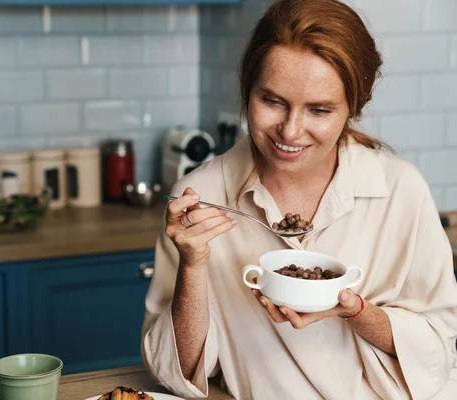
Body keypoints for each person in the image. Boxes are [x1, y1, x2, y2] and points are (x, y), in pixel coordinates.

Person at [140, 0, 457, 399]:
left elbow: (436, 350)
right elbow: (175, 374)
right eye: (272, 101)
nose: (290, 131)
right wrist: (191, 265)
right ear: (247, 91)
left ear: (353, 108)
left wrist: (355, 311)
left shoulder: (399, 189)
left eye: (319, 110)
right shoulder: (202, 198)